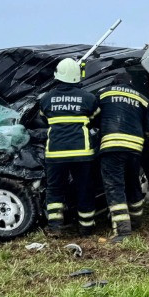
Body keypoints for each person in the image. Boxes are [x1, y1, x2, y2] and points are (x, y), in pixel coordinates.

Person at [37, 58, 99, 237]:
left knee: (55, 189)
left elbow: (43, 119)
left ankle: (55, 226)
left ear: (58, 76)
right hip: (82, 153)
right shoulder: (88, 98)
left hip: (56, 153)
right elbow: (96, 118)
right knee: (84, 188)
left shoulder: (47, 98)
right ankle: (86, 227)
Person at [96, 72, 149, 242]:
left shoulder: (103, 93)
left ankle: (122, 232)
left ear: (115, 82)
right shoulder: (142, 98)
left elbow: (93, 117)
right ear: (130, 84)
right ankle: (136, 221)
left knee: (115, 187)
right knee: (133, 183)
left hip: (112, 147)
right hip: (135, 149)